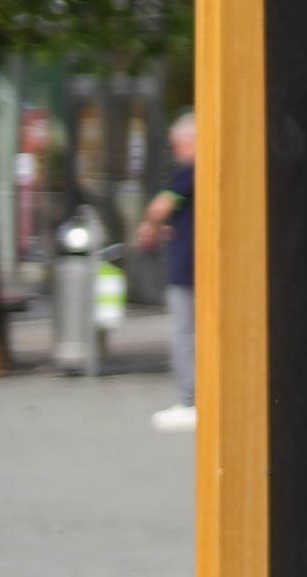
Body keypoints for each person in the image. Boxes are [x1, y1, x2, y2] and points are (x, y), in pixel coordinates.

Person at [137, 111, 199, 432]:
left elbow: (159, 207)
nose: (177, 151)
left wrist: (150, 224)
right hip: (195, 265)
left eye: (178, 145)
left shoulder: (190, 171)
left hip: (186, 267)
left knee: (185, 334)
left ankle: (191, 399)